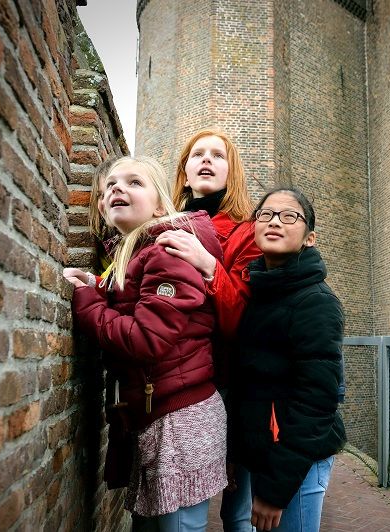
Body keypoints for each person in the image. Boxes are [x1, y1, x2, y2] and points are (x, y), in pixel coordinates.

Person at [62, 156, 227, 531]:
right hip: (161, 413)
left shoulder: (166, 252)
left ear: (159, 206)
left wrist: (88, 303)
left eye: (134, 182)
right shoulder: (136, 252)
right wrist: (96, 285)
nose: (117, 188)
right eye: (111, 185)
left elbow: (146, 339)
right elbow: (130, 299)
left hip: (180, 421)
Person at [156, 128, 262, 532]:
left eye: (218, 156)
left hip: (232, 379)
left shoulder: (246, 233)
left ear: (231, 173)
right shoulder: (161, 226)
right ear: (183, 172)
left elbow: (243, 320)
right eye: (197, 154)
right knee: (170, 499)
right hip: (175, 380)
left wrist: (207, 264)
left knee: (237, 510)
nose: (206, 160)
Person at [232, 187, 347, 532]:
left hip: (296, 462)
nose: (275, 222)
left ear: (310, 238)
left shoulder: (316, 302)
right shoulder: (261, 291)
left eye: (289, 216)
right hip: (268, 453)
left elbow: (317, 403)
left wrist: (275, 490)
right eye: (266, 214)